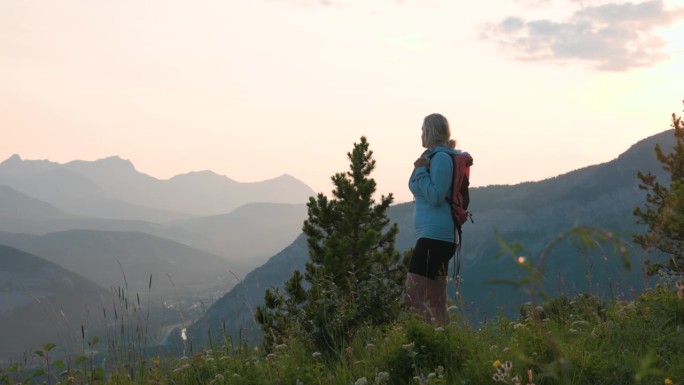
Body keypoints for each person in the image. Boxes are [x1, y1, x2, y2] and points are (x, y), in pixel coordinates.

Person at [405, 113, 465, 325]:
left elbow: (437, 196)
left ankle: (427, 344)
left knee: (412, 297)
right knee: (437, 300)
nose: (421, 134)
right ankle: (445, 345)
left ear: (430, 131)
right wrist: (421, 169)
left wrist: (420, 172)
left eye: (423, 130)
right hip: (440, 237)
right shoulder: (433, 156)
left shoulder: (440, 158)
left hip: (434, 238)